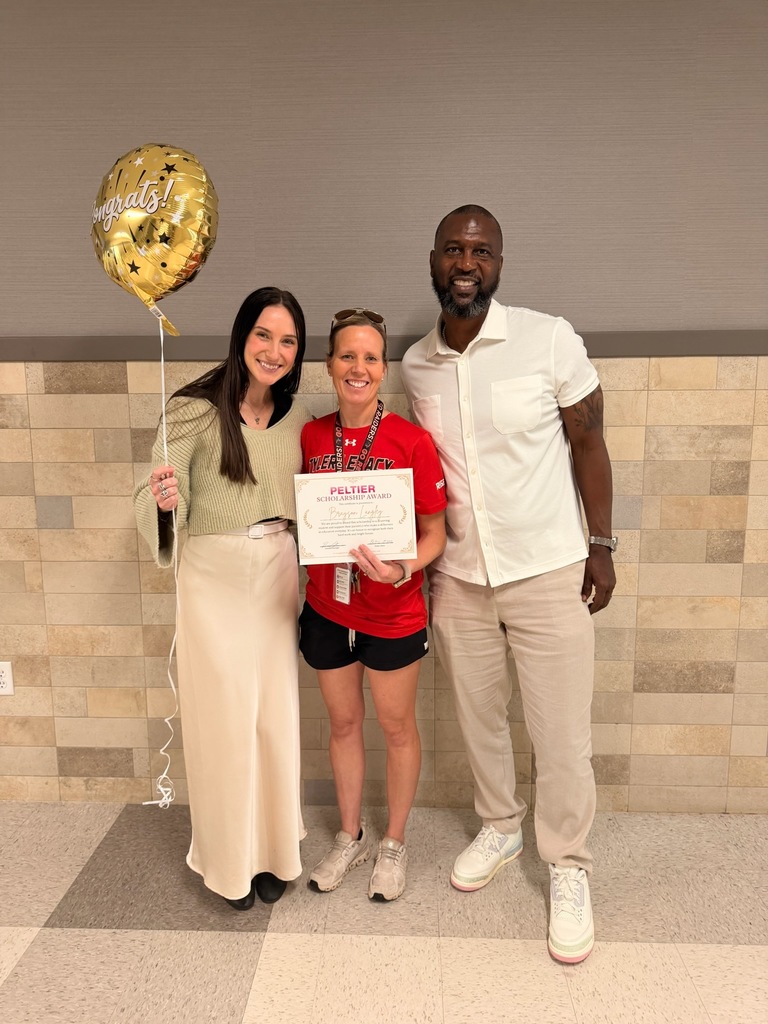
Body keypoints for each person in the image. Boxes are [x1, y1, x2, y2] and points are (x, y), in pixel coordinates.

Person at [401, 206, 616, 963]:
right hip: (459, 579)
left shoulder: (547, 337)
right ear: (432, 259)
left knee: (562, 737)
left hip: (548, 570)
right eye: (454, 249)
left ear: (499, 261)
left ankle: (567, 865)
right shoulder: (415, 364)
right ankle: (499, 825)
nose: (467, 261)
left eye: (481, 250)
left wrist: (601, 546)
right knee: (480, 722)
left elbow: (589, 441)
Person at [133, 286, 312, 910]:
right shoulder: (191, 409)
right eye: (264, 335)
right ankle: (228, 862)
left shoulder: (297, 418)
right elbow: (157, 490)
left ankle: (273, 853)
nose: (274, 350)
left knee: (274, 719)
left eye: (288, 340)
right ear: (241, 336)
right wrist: (162, 501)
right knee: (224, 723)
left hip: (277, 576)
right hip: (213, 577)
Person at [299, 308, 447, 902]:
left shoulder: (411, 441)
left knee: (395, 727)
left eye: (370, 358)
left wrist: (402, 567)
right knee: (343, 724)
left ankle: (394, 842)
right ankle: (350, 834)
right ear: (330, 365)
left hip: (394, 611)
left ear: (383, 369)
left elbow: (435, 532)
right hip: (327, 609)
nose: (358, 368)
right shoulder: (310, 437)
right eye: (346, 356)